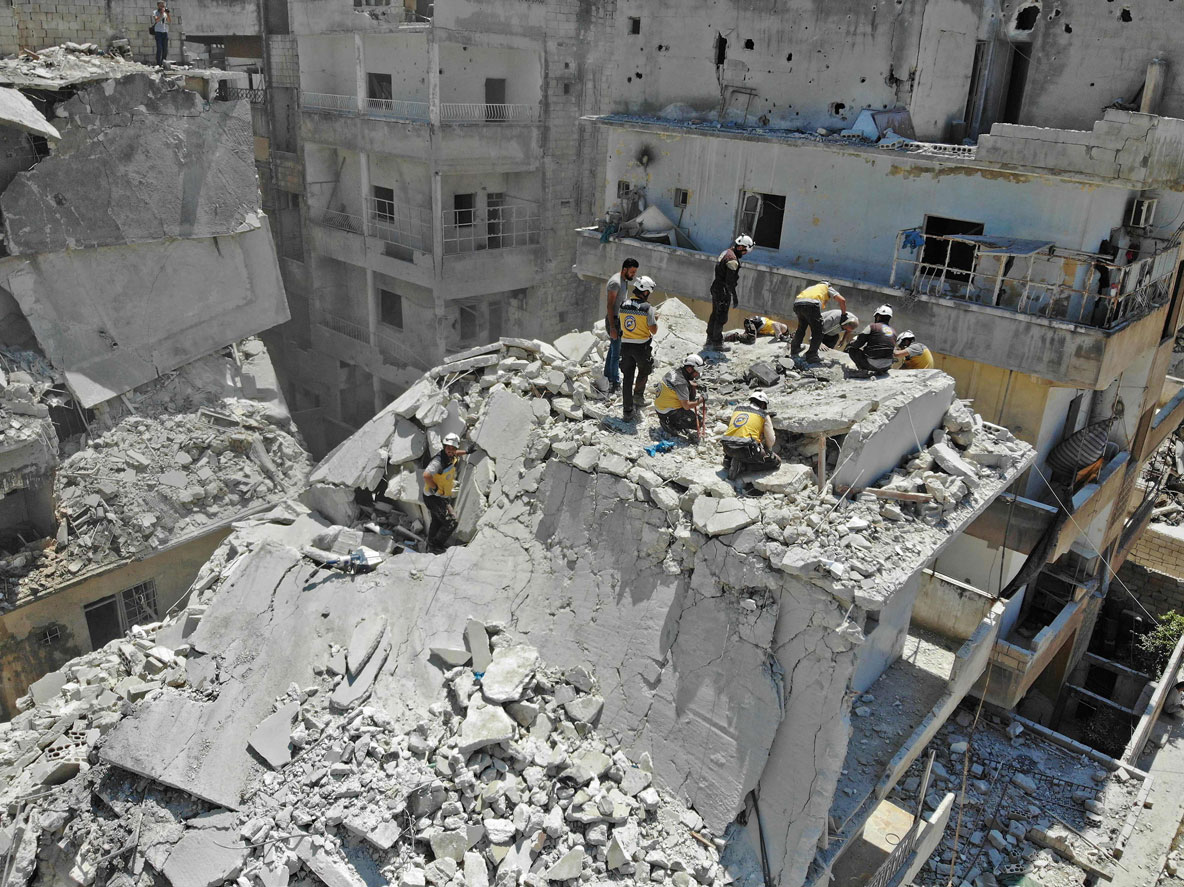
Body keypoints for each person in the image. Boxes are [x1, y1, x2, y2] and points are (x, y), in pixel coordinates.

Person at [618, 275, 659, 421]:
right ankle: (638, 397)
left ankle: (627, 411)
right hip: (641, 347)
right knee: (644, 370)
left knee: (627, 377)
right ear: (646, 292)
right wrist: (654, 320)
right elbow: (653, 330)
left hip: (625, 346)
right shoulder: (648, 308)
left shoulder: (623, 304)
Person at [421, 432, 467, 553]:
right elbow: (426, 475)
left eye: (453, 448)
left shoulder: (450, 455)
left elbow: (454, 453)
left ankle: (430, 546)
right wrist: (435, 488)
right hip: (434, 497)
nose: (450, 450)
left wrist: (467, 452)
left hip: (440, 496)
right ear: (444, 447)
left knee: (437, 521)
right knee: (451, 522)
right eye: (448, 448)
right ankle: (436, 545)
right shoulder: (438, 461)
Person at [706, 235, 753, 352]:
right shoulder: (732, 260)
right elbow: (729, 282)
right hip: (722, 291)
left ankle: (710, 339)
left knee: (714, 314)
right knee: (721, 316)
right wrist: (734, 296)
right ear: (741, 247)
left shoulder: (726, 252)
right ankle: (717, 343)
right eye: (745, 250)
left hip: (716, 287)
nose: (745, 253)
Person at [721, 392, 780, 478]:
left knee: (739, 447)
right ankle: (743, 467)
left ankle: (729, 461)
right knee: (776, 462)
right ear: (763, 404)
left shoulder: (737, 409)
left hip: (727, 448)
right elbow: (771, 441)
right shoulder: (763, 415)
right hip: (746, 450)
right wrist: (767, 450)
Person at [604, 258, 639, 394]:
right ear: (625, 269)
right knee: (616, 352)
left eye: (635, 272)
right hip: (614, 321)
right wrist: (613, 327)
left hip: (620, 320)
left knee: (613, 350)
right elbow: (610, 305)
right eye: (632, 272)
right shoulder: (615, 283)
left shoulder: (624, 280)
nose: (633, 274)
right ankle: (614, 382)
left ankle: (608, 376)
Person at [789, 281, 847, 363]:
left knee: (801, 328)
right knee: (818, 330)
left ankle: (795, 348)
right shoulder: (827, 287)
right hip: (811, 305)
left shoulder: (812, 288)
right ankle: (811, 356)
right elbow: (842, 300)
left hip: (798, 304)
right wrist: (844, 314)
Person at [654, 354, 705, 441]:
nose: (697, 375)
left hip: (660, 407)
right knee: (699, 422)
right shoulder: (681, 384)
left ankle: (669, 420)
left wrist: (695, 385)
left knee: (690, 389)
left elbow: (681, 383)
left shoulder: (675, 372)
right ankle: (669, 424)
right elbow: (686, 406)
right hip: (667, 413)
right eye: (696, 372)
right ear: (689, 369)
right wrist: (701, 399)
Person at [847, 304, 897, 375]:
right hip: (887, 366)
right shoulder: (893, 331)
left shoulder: (872, 326)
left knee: (852, 350)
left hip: (871, 364)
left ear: (878, 316)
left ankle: (863, 370)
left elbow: (858, 344)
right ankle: (880, 371)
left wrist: (850, 344)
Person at [151, 0, 171, 66]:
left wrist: (167, 14)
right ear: (158, 6)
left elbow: (169, 21)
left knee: (165, 49)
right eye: (161, 6)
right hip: (158, 32)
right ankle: (158, 63)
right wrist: (161, 14)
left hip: (165, 32)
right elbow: (156, 20)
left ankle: (163, 62)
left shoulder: (165, 13)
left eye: (163, 6)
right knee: (159, 48)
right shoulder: (155, 12)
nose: (163, 7)